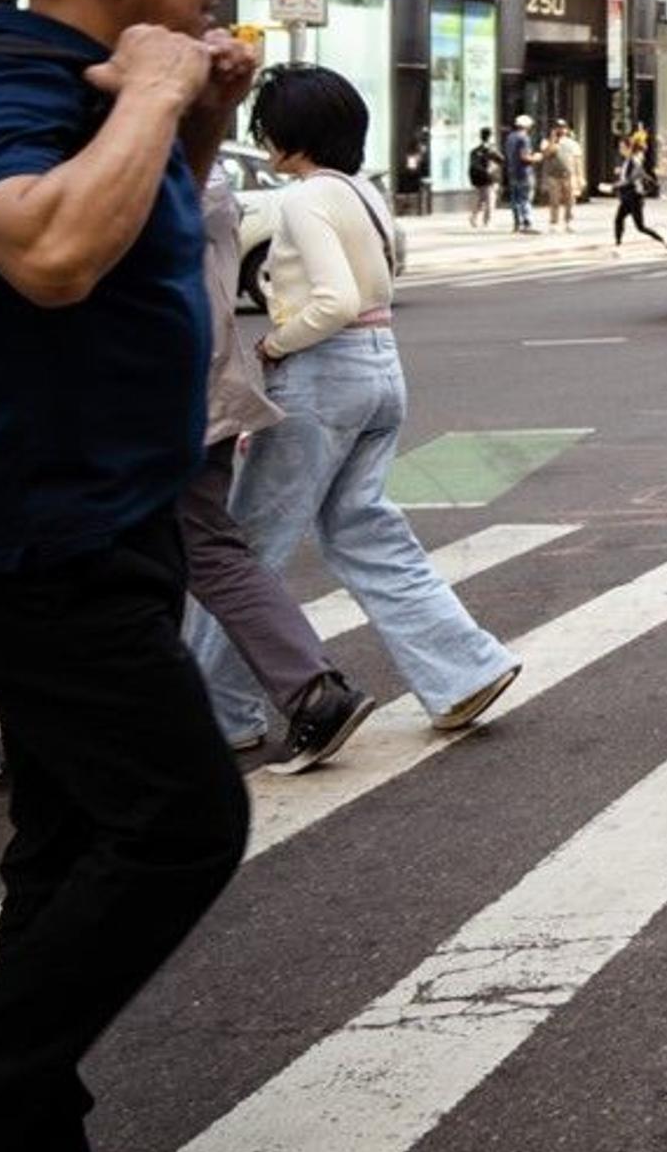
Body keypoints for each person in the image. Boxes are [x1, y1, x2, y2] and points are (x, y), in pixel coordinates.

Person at [0, 0, 255, 1152]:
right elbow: (46, 251)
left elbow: (153, 229)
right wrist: (157, 88)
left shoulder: (113, 90)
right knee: (182, 824)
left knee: (72, 837)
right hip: (38, 542)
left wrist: (194, 114)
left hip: (119, 513)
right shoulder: (10, 74)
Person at [203, 65, 524, 744]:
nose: (261, 137)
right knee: (365, 530)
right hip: (381, 365)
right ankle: (465, 668)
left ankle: (219, 713)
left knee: (244, 549)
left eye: (267, 125)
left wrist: (272, 348)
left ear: (291, 134)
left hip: (322, 372)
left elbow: (333, 299)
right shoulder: (364, 192)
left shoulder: (303, 200)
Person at [187, 155, 374, 775]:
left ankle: (306, 694)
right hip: (203, 385)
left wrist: (274, 343)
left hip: (144, 397)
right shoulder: (210, 180)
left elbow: (337, 300)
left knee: (195, 549)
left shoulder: (141, 175)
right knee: (203, 548)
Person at [610, 129, 662, 249]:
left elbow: (630, 180)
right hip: (627, 197)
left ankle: (661, 239)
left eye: (622, 147)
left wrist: (614, 186)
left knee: (640, 227)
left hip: (634, 197)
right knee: (618, 219)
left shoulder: (635, 161)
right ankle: (617, 244)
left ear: (629, 148)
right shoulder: (628, 161)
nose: (620, 150)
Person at [539, 120, 581, 232]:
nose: (561, 130)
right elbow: (546, 154)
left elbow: (577, 160)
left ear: (567, 129)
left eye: (563, 127)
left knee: (570, 200)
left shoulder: (572, 143)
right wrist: (553, 140)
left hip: (569, 175)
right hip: (553, 176)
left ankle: (569, 222)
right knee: (554, 200)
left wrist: (579, 177)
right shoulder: (546, 142)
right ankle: (554, 222)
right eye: (558, 127)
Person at [502, 114, 537, 233]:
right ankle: (527, 223)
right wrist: (536, 158)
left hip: (512, 172)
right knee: (525, 198)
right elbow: (524, 157)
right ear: (526, 126)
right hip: (524, 172)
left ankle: (517, 223)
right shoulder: (524, 138)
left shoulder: (510, 137)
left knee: (515, 199)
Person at [465, 131, 502, 229]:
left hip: (478, 180)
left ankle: (473, 218)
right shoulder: (491, 150)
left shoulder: (474, 151)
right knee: (490, 201)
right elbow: (502, 160)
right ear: (490, 137)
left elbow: (473, 165)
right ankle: (487, 222)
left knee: (479, 200)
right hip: (489, 179)